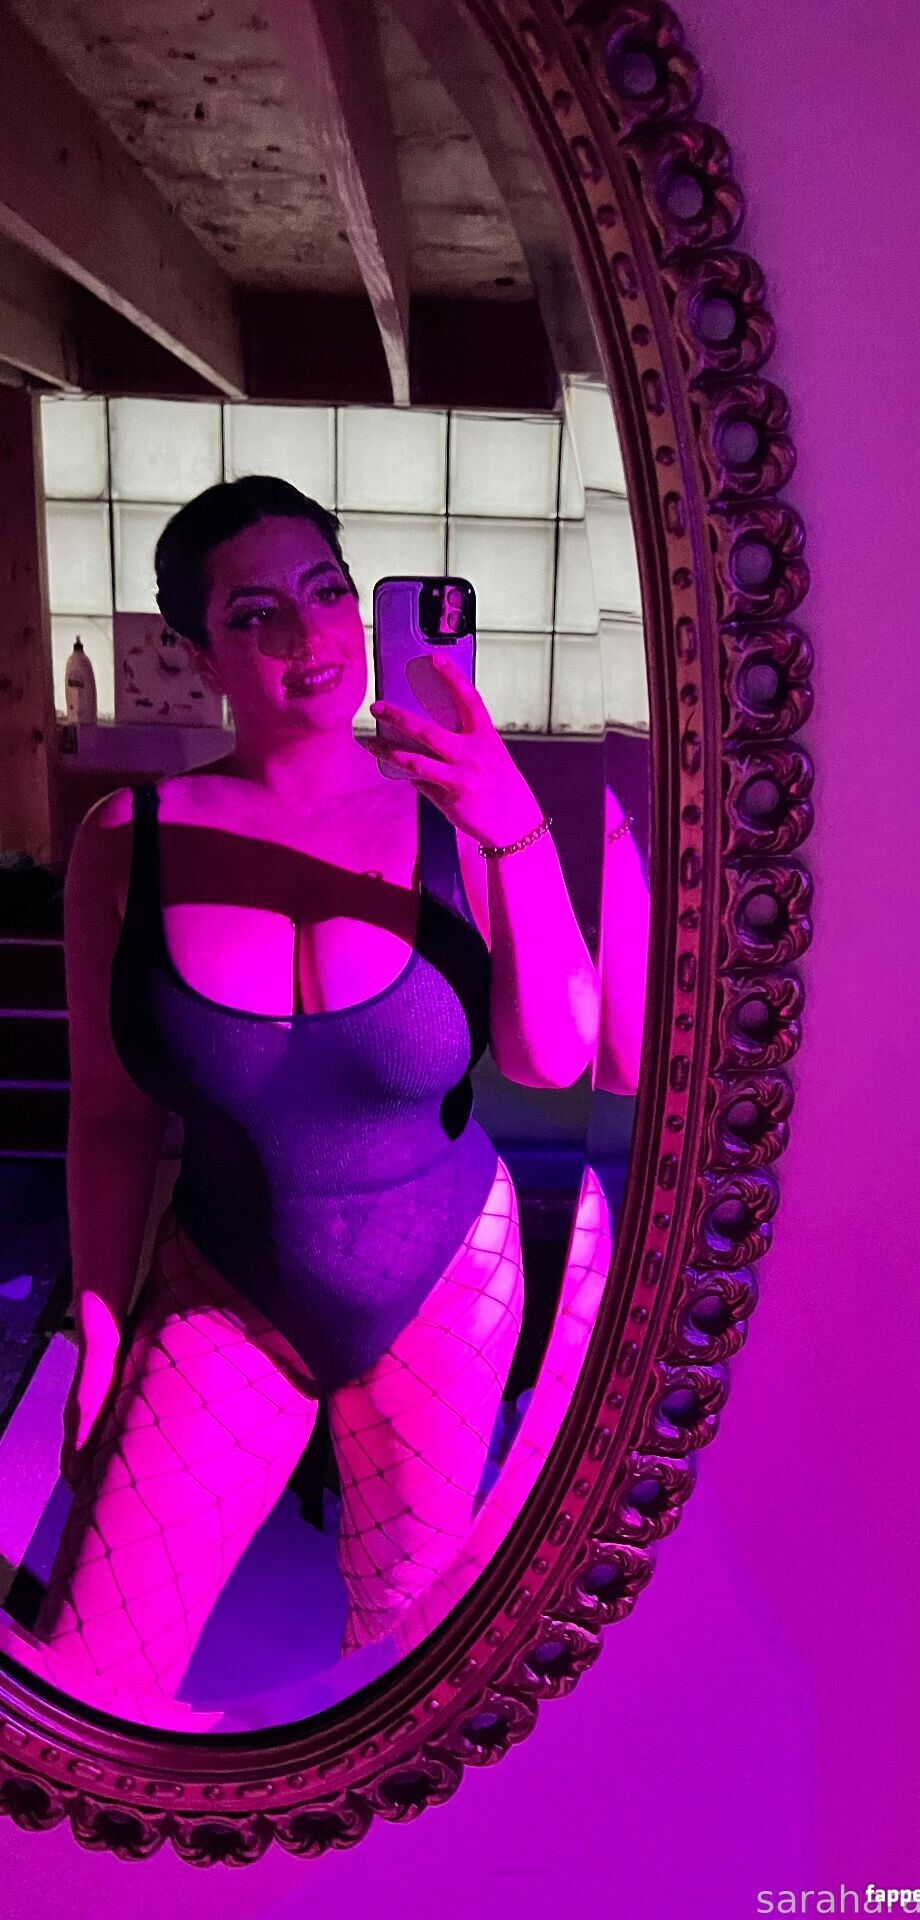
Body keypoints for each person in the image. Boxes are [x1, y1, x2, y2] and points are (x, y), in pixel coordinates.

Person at [33, 474, 599, 1704]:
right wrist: (97, 1325)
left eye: (328, 591)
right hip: (224, 1289)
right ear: (198, 655)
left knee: (406, 1685)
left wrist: (511, 823)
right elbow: (112, 1114)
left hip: (447, 1275)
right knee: (88, 1675)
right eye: (254, 614)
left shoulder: (456, 812)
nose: (308, 634)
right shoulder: (126, 838)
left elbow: (555, 1058)